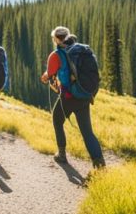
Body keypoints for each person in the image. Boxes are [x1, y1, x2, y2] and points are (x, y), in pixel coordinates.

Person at [42, 27, 106, 168]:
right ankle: (100, 164)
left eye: (54, 39)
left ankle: (62, 154)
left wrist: (46, 76)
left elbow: (50, 74)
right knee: (87, 132)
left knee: (57, 119)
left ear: (56, 39)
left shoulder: (56, 54)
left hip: (69, 96)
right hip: (84, 94)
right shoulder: (79, 50)